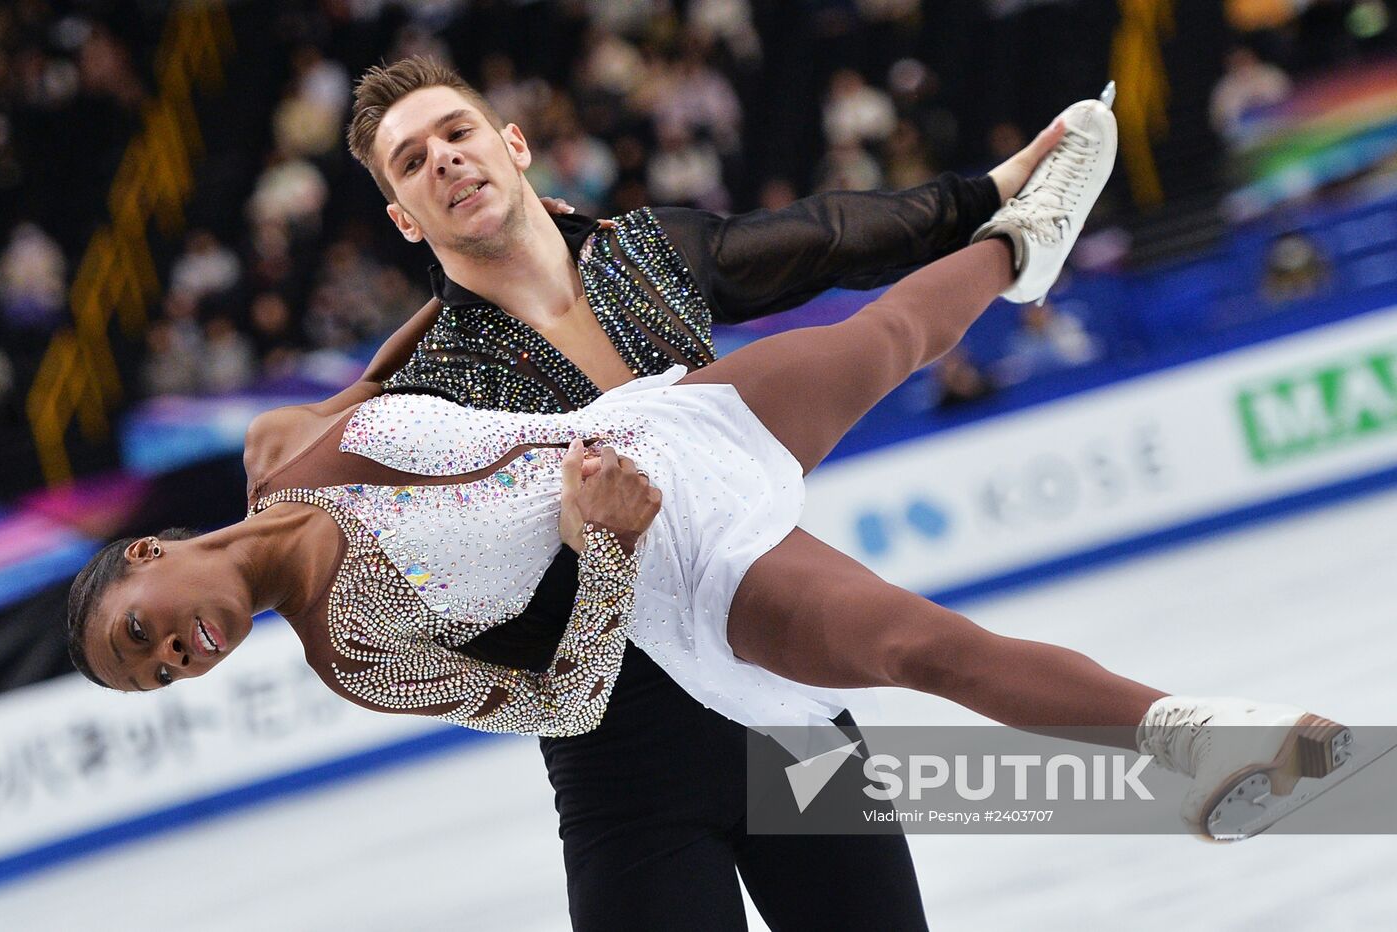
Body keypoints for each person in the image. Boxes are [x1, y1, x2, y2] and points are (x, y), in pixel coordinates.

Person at [70, 86, 1354, 864]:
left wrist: (478, 235)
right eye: (160, 674)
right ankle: (1198, 747)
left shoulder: (286, 448)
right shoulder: (351, 655)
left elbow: (387, 368)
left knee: (888, 334)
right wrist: (606, 544)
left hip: (665, 422)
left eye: (141, 635)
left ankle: (1023, 237)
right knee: (917, 646)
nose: (176, 654)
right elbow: (562, 698)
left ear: (145, 555)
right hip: (670, 573)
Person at [235, 56, 1043, 931]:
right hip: (626, 775)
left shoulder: (645, 254)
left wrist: (989, 192)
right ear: (403, 216)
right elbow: (303, 485)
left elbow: (826, 238)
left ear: (513, 145)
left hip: (788, 716)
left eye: (457, 133)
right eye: (411, 161)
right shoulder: (423, 401)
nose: (444, 159)